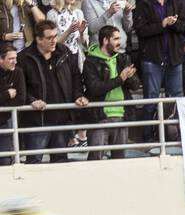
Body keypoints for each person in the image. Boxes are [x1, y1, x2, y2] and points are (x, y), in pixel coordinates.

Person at [17, 20, 87, 163]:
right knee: (34, 163)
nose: (54, 40)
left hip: (62, 119)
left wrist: (78, 95)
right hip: (37, 121)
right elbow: (20, 87)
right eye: (50, 38)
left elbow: (76, 77)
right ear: (38, 39)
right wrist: (31, 101)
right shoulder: (23, 58)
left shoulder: (64, 52)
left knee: (60, 162)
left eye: (56, 36)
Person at [81, 24, 138, 160]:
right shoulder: (90, 61)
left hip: (122, 116)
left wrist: (129, 78)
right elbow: (94, 88)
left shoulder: (123, 58)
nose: (120, 43)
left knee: (119, 160)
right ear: (105, 41)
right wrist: (121, 78)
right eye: (116, 39)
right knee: (96, 160)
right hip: (100, 118)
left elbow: (136, 85)